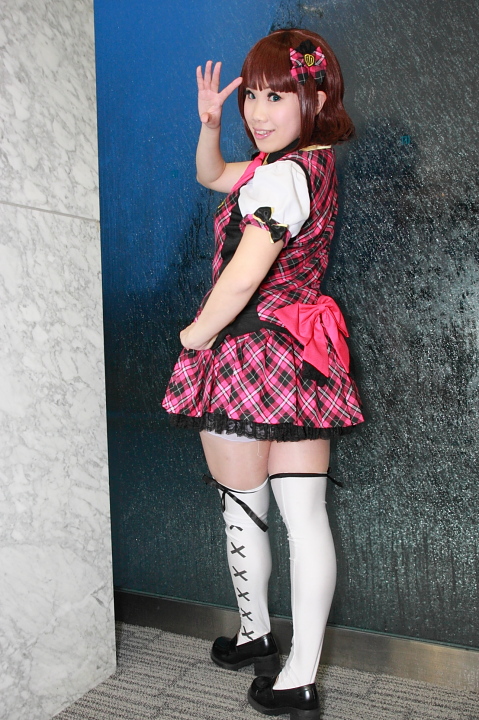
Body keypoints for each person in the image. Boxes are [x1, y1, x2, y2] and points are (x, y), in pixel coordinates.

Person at [162, 27, 364, 720]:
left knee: (243, 507)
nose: (257, 110)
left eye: (276, 96)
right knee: (305, 518)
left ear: (316, 98)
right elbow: (211, 175)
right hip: (304, 358)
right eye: (252, 95)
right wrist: (208, 126)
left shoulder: (278, 176)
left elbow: (245, 276)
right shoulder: (307, 165)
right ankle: (296, 674)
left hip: (249, 357)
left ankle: (257, 635)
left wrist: (193, 337)